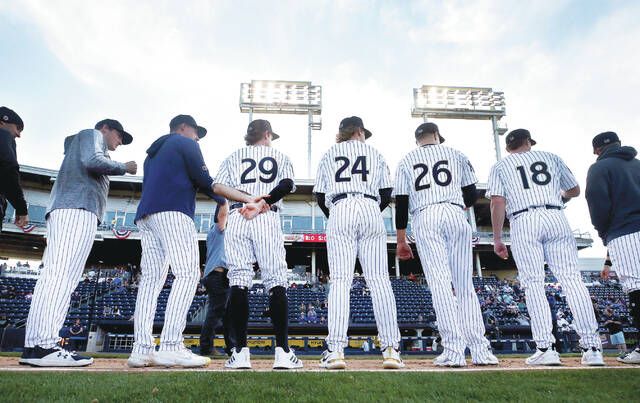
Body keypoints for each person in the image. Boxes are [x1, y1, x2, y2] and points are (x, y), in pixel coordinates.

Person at [128, 114, 267, 369]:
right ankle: (171, 346)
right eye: (196, 133)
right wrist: (244, 197)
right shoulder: (184, 143)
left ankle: (142, 349)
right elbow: (209, 183)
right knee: (188, 274)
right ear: (183, 127)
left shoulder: (152, 154)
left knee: (150, 281)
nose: (198, 138)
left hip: (146, 217)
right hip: (173, 213)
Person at [20, 118, 136, 367]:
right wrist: (124, 166)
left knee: (57, 275)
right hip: (76, 209)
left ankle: (36, 346)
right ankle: (44, 345)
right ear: (106, 128)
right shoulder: (92, 135)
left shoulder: (82, 142)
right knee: (61, 276)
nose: (119, 142)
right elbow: (92, 161)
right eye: (119, 136)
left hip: (71, 209)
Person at [487, 128, 604, 366]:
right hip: (555, 215)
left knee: (533, 283)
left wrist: (498, 238)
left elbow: (497, 201)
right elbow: (574, 190)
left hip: (523, 218)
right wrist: (556, 193)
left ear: (509, 147)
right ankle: (592, 348)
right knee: (572, 280)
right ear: (528, 142)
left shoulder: (500, 166)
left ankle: (546, 348)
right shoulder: (551, 157)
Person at [395, 122, 498, 367]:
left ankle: (454, 351)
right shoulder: (456, 153)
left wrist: (401, 238)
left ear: (416, 139)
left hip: (426, 215)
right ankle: (481, 351)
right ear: (437, 136)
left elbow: (401, 202)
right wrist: (455, 206)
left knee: (441, 285)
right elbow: (472, 193)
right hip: (454, 214)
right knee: (464, 286)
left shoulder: (406, 160)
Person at [314, 116, 403, 370]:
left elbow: (320, 196)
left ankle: (336, 351)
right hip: (369, 207)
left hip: (340, 206)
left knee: (341, 281)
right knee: (379, 281)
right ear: (360, 131)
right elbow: (386, 193)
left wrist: (338, 215)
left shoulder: (329, 153)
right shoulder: (375, 153)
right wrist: (371, 211)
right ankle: (390, 350)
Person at [215, 119, 302, 370]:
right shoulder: (279, 155)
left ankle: (240, 354)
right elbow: (286, 185)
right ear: (266, 134)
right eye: (270, 135)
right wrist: (261, 202)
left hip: (238, 215)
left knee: (239, 280)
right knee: (275, 279)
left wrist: (248, 199)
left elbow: (218, 186)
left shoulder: (234, 155)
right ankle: (283, 353)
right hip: (266, 215)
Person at [585, 131, 640, 364]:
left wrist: (603, 231)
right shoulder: (637, 164)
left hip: (625, 230)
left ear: (597, 149)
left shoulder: (600, 168)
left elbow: (598, 204)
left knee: (636, 285)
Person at [199, 201, 236, 357]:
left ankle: (232, 348)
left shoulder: (222, 233)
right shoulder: (218, 228)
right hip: (217, 275)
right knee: (216, 312)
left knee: (228, 314)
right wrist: (225, 197)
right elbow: (222, 211)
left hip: (220, 275)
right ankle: (206, 348)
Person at [0, 106, 28, 231]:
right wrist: (21, 208)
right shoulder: (3, 134)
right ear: (2, 122)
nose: (19, 134)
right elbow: (8, 167)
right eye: (18, 128)